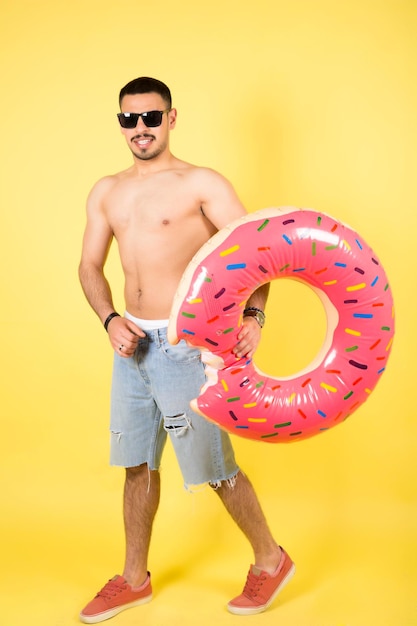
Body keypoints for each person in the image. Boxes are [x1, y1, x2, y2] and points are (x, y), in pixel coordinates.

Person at [78, 76, 295, 623]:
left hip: (186, 345)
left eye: (151, 117)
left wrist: (254, 316)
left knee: (213, 467)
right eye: (130, 119)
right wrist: (108, 320)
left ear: (171, 118)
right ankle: (133, 580)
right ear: (120, 123)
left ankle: (271, 560)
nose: (141, 128)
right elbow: (88, 266)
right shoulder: (107, 190)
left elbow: (258, 251)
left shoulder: (201, 183)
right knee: (135, 464)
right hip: (131, 346)